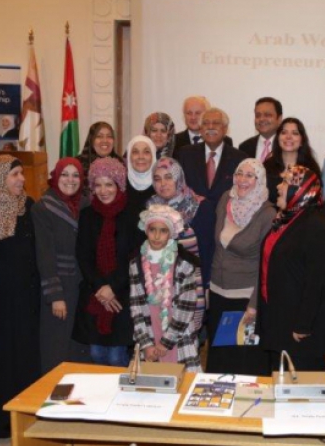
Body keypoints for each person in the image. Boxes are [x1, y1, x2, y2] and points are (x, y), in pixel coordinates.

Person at [0, 155, 41, 438]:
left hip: (26, 297)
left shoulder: (27, 206)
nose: (21, 179)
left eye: (21, 174)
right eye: (14, 174)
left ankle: (24, 418)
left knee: (25, 356)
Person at [257, 165, 325, 371]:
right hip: (278, 317)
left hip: (299, 327)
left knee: (301, 388)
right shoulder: (286, 218)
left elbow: (316, 282)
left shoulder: (316, 226)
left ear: (301, 189)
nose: (279, 186)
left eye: (285, 182)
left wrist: (303, 324)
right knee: (279, 380)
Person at [206, 159, 276, 375]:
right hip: (218, 292)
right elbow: (217, 248)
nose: (242, 180)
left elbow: (267, 264)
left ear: (260, 180)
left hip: (245, 298)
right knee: (219, 354)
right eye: (239, 173)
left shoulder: (268, 214)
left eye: (249, 175)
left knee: (243, 358)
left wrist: (254, 304)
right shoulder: (225, 199)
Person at [73, 158, 136, 367]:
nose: (103, 190)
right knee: (97, 354)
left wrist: (113, 287)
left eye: (109, 184)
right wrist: (101, 287)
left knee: (117, 357)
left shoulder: (133, 215)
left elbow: (135, 257)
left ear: (119, 185)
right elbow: (83, 256)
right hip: (95, 294)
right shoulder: (87, 215)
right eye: (97, 185)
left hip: (122, 296)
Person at [176, 107, 247, 285]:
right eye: (206, 123)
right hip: (192, 233)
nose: (210, 127)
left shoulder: (240, 158)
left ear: (225, 128)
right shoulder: (185, 154)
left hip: (226, 233)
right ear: (200, 129)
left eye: (216, 123)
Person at [31, 157, 90, 374]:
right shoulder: (43, 208)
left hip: (81, 287)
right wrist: (55, 296)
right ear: (56, 177)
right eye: (65, 174)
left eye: (76, 175)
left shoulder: (87, 204)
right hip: (59, 287)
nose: (70, 180)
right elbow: (44, 255)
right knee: (56, 346)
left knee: (79, 346)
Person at [129, 205, 203, 372]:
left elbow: (186, 308)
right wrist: (146, 344)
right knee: (150, 384)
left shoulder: (184, 264)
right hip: (150, 331)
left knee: (183, 382)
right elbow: (136, 307)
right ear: (145, 230)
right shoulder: (136, 264)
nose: (156, 236)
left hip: (179, 336)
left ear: (171, 233)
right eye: (152, 230)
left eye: (163, 231)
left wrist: (166, 342)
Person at [148, 157, 209, 332]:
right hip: (158, 287)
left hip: (190, 287)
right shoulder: (150, 208)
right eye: (157, 179)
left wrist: (206, 286)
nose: (163, 184)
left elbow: (207, 252)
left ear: (178, 178)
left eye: (168, 177)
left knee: (186, 345)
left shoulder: (199, 206)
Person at [263, 117, 322, 204]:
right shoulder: (267, 167)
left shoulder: (310, 170)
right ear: (278, 138)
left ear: (302, 141)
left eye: (295, 133)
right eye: (284, 132)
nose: (288, 137)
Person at [125, 134, 158, 227]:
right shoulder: (120, 187)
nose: (141, 156)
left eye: (146, 152)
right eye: (135, 152)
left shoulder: (161, 187)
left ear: (153, 156)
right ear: (129, 156)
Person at [239, 97, 282, 161]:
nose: (261, 119)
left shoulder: (285, 144)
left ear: (279, 119)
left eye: (267, 115)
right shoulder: (245, 147)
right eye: (258, 115)